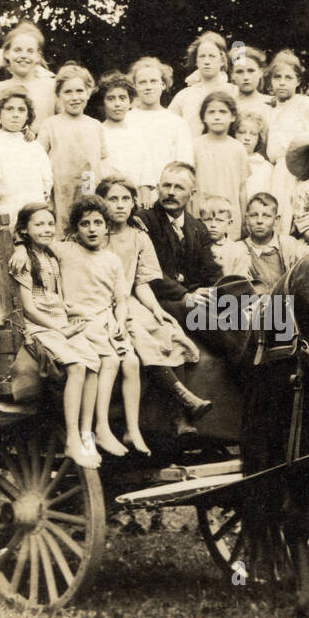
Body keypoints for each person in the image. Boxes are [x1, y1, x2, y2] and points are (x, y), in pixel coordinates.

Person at [96, 176, 209, 437]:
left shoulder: (138, 236)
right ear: (101, 202)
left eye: (126, 199)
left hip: (131, 300)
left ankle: (180, 416)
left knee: (168, 331)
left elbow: (141, 283)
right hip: (101, 302)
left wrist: (157, 311)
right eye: (113, 199)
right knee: (137, 334)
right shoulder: (94, 234)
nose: (120, 205)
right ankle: (181, 396)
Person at [51, 195, 146, 458]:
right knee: (112, 361)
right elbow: (36, 243)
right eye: (84, 224)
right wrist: (22, 248)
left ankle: (132, 428)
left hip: (106, 319)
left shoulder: (112, 260)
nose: (92, 229)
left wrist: (120, 319)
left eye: (97, 223)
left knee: (132, 362)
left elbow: (121, 299)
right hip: (80, 320)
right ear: (75, 229)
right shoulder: (65, 251)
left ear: (107, 227)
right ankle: (101, 427)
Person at [7, 202, 101, 468]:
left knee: (94, 363)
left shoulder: (51, 256)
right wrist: (58, 327)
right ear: (25, 230)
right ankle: (72, 438)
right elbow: (29, 308)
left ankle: (86, 433)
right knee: (77, 366)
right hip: (41, 326)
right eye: (39, 224)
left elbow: (58, 298)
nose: (46, 229)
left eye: (50, 224)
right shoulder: (24, 259)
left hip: (60, 321)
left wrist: (73, 315)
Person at [0, 83, 53, 303]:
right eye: (9, 109)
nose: (15, 115)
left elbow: (46, 182)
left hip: (33, 211)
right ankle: (6, 316)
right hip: (8, 211)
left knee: (36, 261)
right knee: (3, 264)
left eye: (21, 110)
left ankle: (38, 309)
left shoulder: (33, 145)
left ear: (28, 115)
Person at [135, 162, 222, 327]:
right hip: (161, 298)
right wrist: (185, 295)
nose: (171, 192)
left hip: (193, 297)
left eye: (179, 187)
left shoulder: (197, 227)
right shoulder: (144, 220)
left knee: (234, 306)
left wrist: (218, 293)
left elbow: (211, 270)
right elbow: (149, 272)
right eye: (167, 186)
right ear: (158, 188)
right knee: (200, 315)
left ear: (192, 194)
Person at [264, 50, 309, 235]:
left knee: (300, 220)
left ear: (298, 81)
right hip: (277, 172)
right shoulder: (270, 109)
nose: (281, 82)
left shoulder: (307, 106)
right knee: (277, 217)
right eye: (277, 77)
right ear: (270, 81)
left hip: (300, 173)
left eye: (288, 77)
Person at [37, 62, 106, 222]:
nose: (75, 97)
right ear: (59, 95)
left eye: (80, 91)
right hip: (60, 189)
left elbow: (100, 162)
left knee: (86, 221)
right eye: (68, 92)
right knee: (62, 225)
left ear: (88, 92)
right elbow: (39, 159)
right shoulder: (50, 124)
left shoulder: (95, 125)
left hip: (88, 187)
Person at [126, 57, 194, 209]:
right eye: (142, 82)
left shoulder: (176, 122)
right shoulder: (126, 119)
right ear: (135, 86)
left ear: (163, 84)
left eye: (153, 81)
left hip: (167, 198)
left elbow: (184, 164)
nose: (148, 87)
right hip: (129, 198)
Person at [193, 92, 248, 240]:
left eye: (223, 112)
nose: (217, 116)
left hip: (230, 217)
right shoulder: (196, 146)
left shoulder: (238, 148)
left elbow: (242, 188)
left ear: (233, 116)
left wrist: (243, 220)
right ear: (203, 117)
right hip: (201, 214)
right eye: (211, 112)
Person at [98, 70, 154, 195]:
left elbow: (146, 166)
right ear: (103, 103)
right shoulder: (96, 132)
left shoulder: (138, 132)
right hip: (105, 196)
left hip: (135, 197)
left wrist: (145, 191)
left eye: (122, 98)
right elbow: (88, 169)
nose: (117, 104)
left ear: (130, 102)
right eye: (111, 99)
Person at [168, 31, 237, 134]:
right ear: (196, 61)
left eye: (212, 56)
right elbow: (168, 128)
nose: (207, 61)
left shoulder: (234, 92)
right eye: (202, 56)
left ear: (222, 60)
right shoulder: (184, 96)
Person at [0, 21, 56, 131]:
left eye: (30, 51)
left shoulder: (51, 87)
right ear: (6, 53)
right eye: (17, 50)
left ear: (38, 56)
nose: (24, 55)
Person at [241, 192, 306, 292]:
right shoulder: (239, 249)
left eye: (266, 216)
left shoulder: (288, 244)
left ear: (276, 220)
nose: (259, 221)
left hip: (286, 303)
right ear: (247, 219)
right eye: (254, 215)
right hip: (254, 304)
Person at [198, 194, 250, 278]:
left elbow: (240, 283)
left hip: (231, 289)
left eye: (219, 220)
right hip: (205, 290)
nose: (213, 225)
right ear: (200, 222)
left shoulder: (237, 250)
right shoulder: (196, 247)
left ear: (229, 223)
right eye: (208, 220)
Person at [231, 45, 274, 131]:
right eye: (239, 72)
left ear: (260, 72)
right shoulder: (229, 105)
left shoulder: (271, 103)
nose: (246, 77)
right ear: (232, 75)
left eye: (251, 71)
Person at [237, 111, 273, 200]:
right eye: (242, 132)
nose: (247, 138)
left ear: (259, 138)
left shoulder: (266, 167)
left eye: (253, 134)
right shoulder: (226, 161)